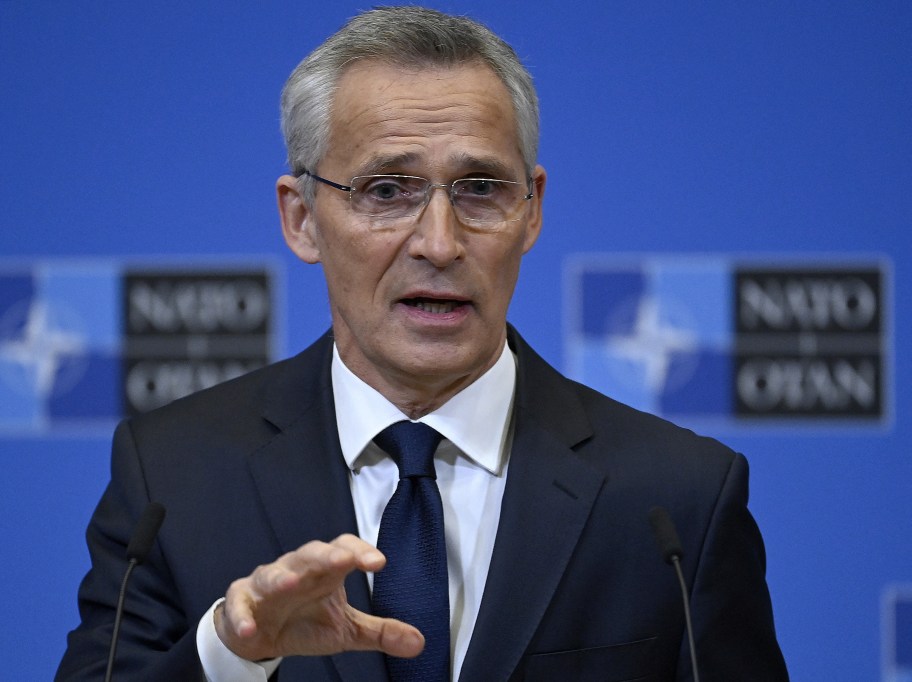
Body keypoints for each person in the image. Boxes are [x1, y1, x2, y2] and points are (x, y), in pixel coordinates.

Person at [57, 6, 788, 681]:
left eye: (479, 188)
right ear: (302, 218)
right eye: (385, 191)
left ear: (531, 212)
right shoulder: (172, 477)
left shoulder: (677, 499)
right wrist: (230, 654)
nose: (439, 243)